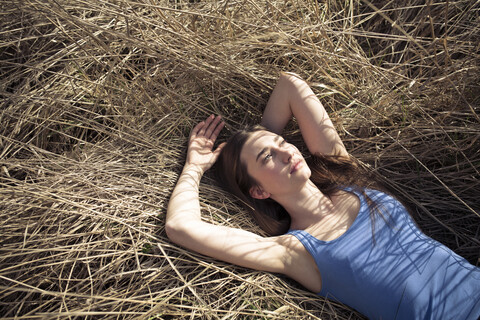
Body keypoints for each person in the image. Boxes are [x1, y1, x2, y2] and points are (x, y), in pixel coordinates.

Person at [166, 73, 480, 319]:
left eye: (281, 142)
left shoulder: (345, 176)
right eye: (268, 157)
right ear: (260, 191)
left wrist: (258, 140)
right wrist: (195, 167)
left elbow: (290, 86)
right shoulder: (294, 251)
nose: (287, 151)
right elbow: (180, 227)